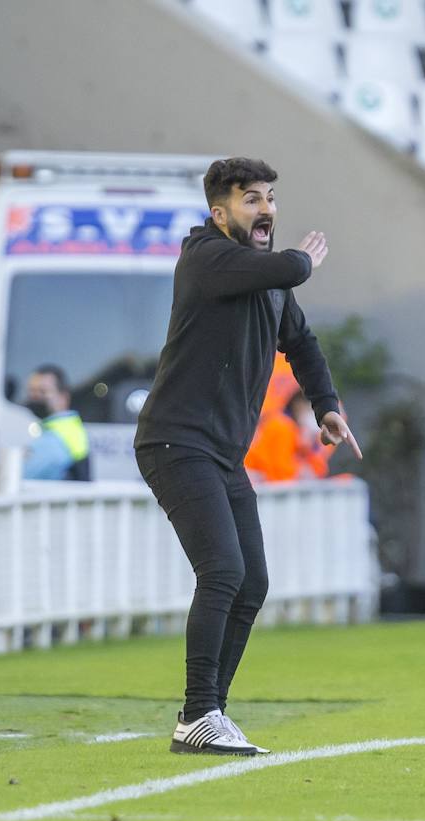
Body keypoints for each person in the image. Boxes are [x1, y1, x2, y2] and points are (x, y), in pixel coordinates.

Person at [134, 157, 360, 757]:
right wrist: (305, 261)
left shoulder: (264, 278)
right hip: (175, 441)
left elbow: (302, 342)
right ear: (220, 212)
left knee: (251, 582)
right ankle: (199, 712)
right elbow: (293, 266)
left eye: (269, 198)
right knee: (223, 573)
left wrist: (327, 405)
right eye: (251, 199)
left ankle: (207, 714)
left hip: (220, 453)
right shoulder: (207, 258)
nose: (266, 210)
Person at [22, 365, 92, 481]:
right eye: (32, 391)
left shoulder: (57, 436)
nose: (35, 397)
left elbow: (22, 474)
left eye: (43, 391)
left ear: (63, 397)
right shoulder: (69, 427)